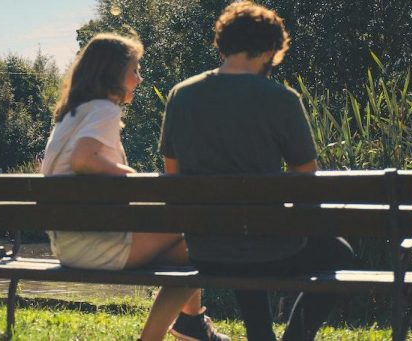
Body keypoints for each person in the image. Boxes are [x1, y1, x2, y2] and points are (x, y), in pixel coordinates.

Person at [158, 2, 354, 340]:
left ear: (223, 44)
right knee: (339, 253)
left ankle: (261, 334)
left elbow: (173, 175)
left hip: (204, 250)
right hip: (269, 249)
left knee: (243, 235)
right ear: (269, 50)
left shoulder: (181, 95)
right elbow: (306, 180)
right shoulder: (282, 99)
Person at [40, 33, 227, 341]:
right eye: (134, 70)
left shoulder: (71, 115)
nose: (139, 79)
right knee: (208, 240)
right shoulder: (104, 109)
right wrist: (132, 176)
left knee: (188, 250)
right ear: (113, 72)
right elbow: (83, 159)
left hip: (69, 244)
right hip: (96, 245)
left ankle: (191, 323)